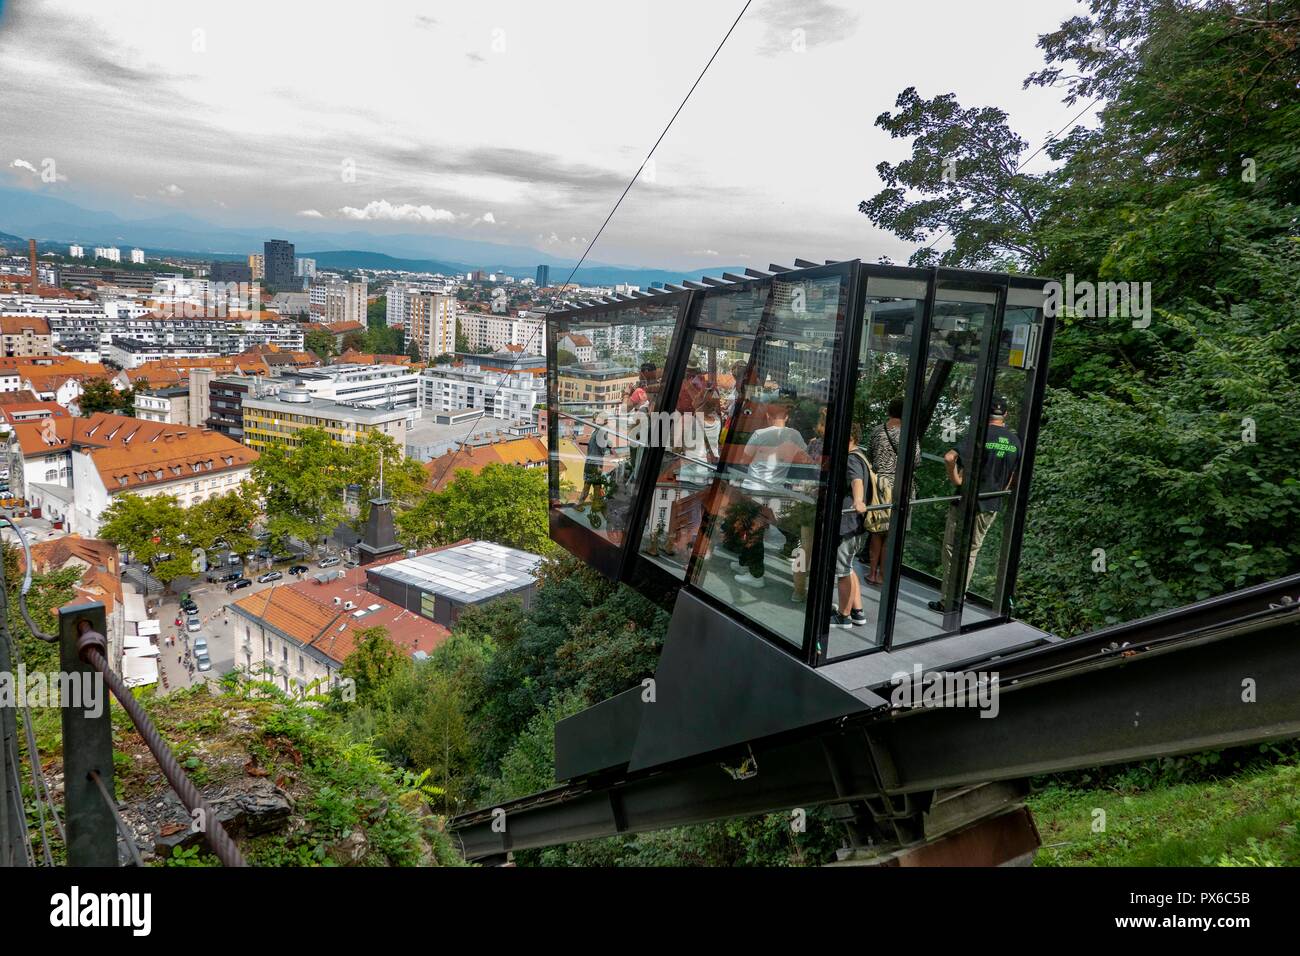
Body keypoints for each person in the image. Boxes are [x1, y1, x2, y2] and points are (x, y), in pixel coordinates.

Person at [928, 396, 1021, 613]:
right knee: (971, 551)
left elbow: (950, 457)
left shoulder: (978, 435)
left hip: (966, 501)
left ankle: (948, 600)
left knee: (952, 548)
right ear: (1004, 415)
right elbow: (1013, 476)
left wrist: (957, 480)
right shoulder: (1015, 441)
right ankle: (960, 595)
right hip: (991, 504)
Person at [730, 400, 808, 587]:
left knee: (753, 531)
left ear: (767, 416)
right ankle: (744, 564)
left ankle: (756, 576)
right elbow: (803, 459)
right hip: (775, 490)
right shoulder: (795, 436)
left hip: (754, 489)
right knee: (754, 528)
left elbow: (744, 459)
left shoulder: (759, 434)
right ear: (787, 416)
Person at [864, 398, 921, 585]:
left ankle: (871, 572)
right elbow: (917, 460)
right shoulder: (908, 433)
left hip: (880, 483)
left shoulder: (877, 431)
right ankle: (882, 575)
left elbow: (870, 456)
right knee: (891, 532)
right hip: (901, 484)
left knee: (876, 530)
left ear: (889, 411)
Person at [832, 424, 871, 628]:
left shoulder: (851, 458)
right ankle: (857, 611)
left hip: (847, 522)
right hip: (854, 524)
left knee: (842, 571)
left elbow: (856, 481)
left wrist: (858, 501)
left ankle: (843, 616)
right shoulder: (861, 455)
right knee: (848, 567)